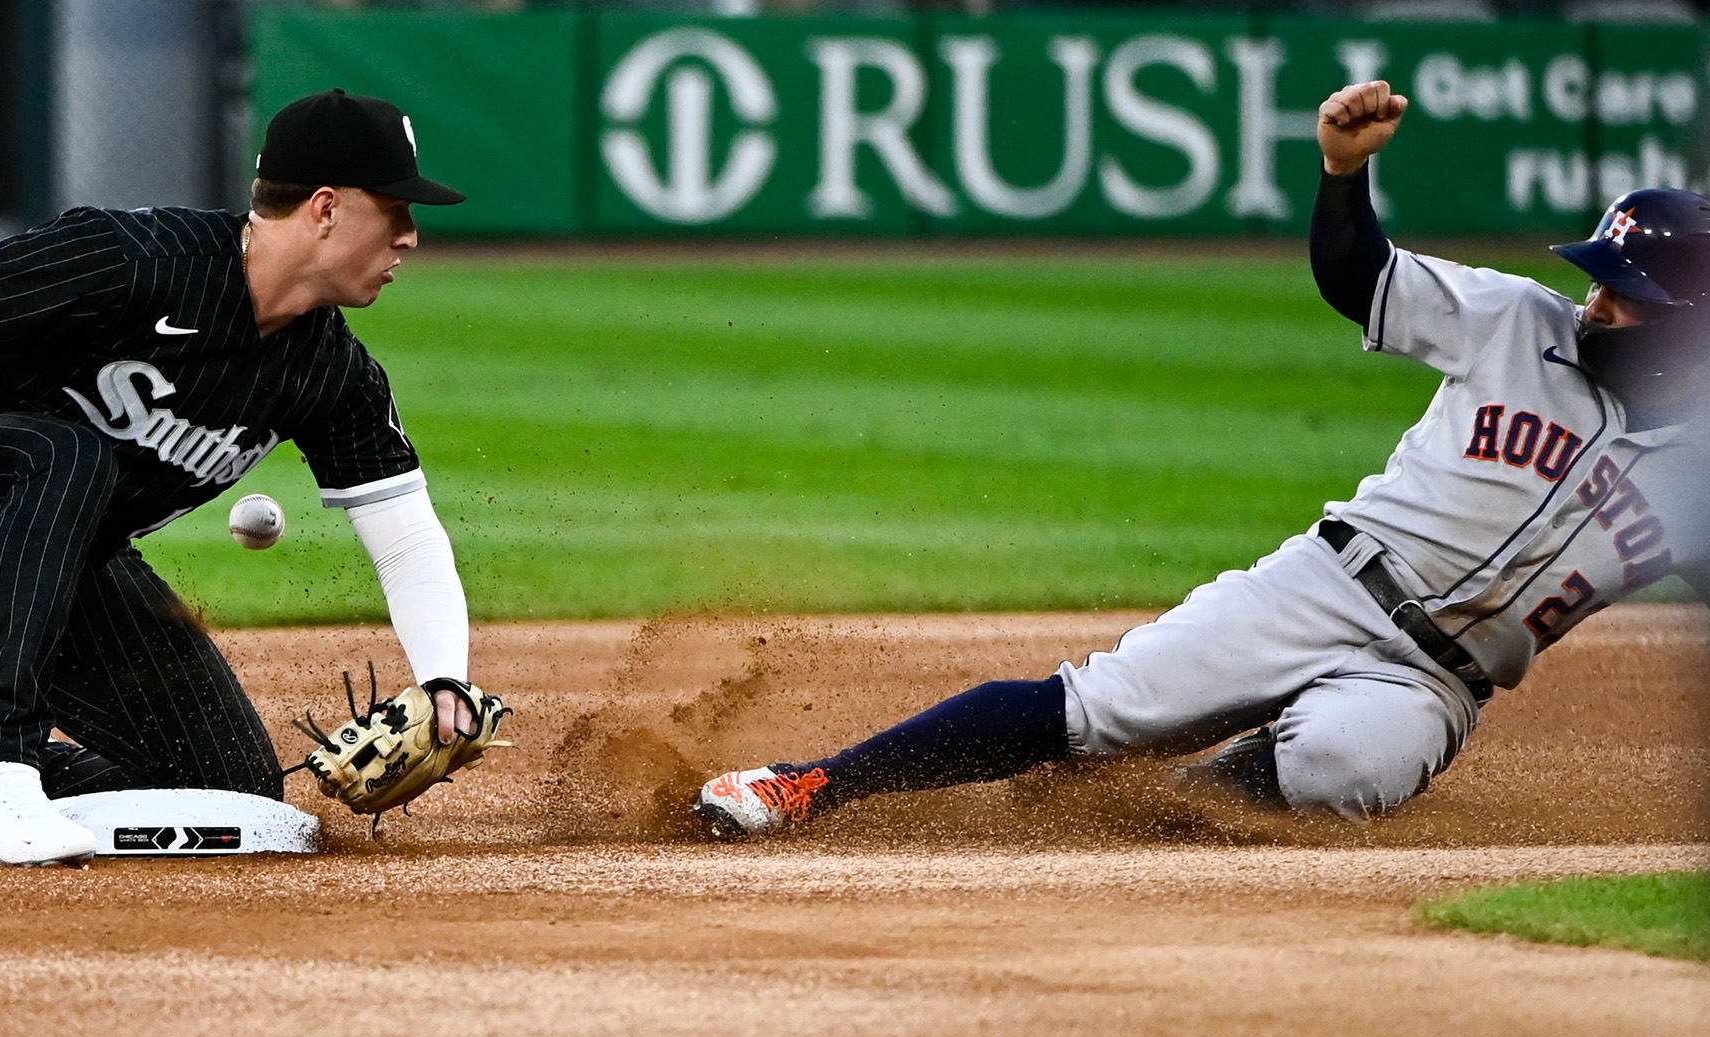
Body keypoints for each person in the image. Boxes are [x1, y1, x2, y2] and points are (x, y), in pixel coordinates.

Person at [694, 80, 1710, 837]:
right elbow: (1359, 276)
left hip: (1431, 686)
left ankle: (1177, 798)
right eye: (1598, 278)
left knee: (1341, 772)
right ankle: (812, 783)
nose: (1596, 301)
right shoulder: (1512, 319)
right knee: (1101, 710)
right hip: (1333, 584)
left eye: (1625, 294)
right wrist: (1343, 174)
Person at [0, 90, 482, 865]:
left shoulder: (330, 373)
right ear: (325, 208)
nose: (411, 237)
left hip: (58, 554)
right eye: (395, 210)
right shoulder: (136, 259)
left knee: (229, 788)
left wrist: (445, 682)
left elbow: (407, 540)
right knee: (70, 453)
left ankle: (39, 783)